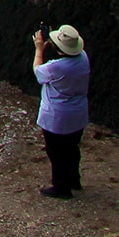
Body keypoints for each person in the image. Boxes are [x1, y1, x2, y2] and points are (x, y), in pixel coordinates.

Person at [32, 24, 90, 198]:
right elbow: (65, 58)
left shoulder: (56, 68)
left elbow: (38, 71)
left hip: (57, 116)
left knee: (56, 153)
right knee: (72, 148)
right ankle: (74, 180)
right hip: (78, 112)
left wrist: (39, 50)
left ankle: (61, 188)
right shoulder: (83, 58)